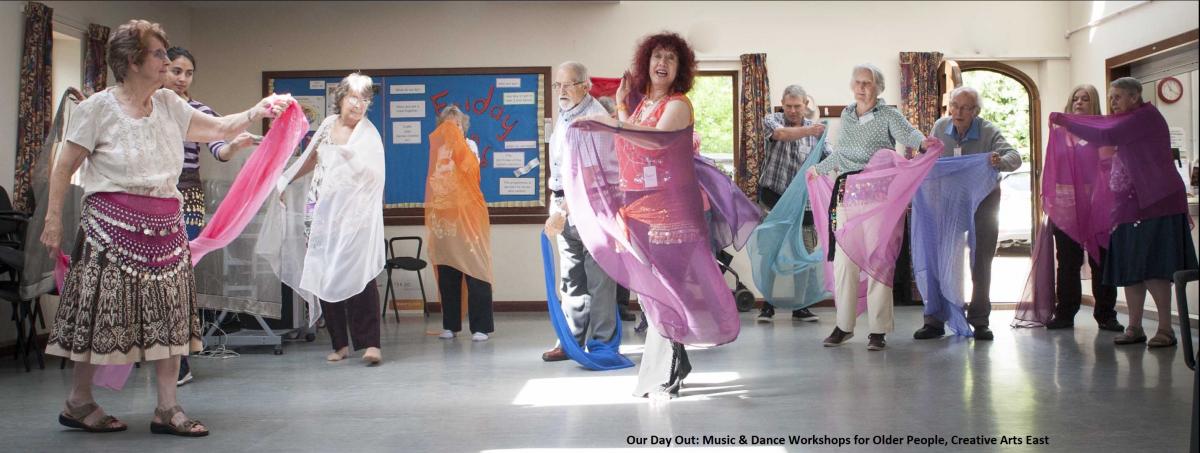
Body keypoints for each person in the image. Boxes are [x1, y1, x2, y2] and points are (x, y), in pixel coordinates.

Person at [42, 19, 291, 436]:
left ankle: (168, 407)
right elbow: (64, 166)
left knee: (171, 316)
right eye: (159, 54)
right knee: (99, 315)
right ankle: (79, 402)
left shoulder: (170, 106)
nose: (167, 61)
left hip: (166, 226)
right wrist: (52, 219)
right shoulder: (97, 109)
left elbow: (216, 128)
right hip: (108, 228)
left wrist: (256, 111)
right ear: (132, 61)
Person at [580, 32, 703, 397]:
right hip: (639, 210)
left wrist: (614, 118)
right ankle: (672, 365)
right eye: (657, 57)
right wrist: (618, 112)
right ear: (646, 63)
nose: (662, 64)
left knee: (667, 292)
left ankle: (667, 372)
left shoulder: (677, 104)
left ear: (679, 68)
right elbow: (627, 146)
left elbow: (654, 142)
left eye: (670, 59)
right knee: (651, 297)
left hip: (671, 211)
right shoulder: (640, 106)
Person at [1053, 77, 1198, 347]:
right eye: (1111, 97)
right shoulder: (1127, 119)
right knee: (1132, 268)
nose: (1113, 102)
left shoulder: (1144, 117)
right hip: (1130, 205)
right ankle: (1135, 327)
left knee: (1155, 268)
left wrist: (1067, 120)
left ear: (1134, 97)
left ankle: (1165, 329)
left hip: (1156, 203)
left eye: (1117, 97)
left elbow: (1105, 135)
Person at [811, 63, 927, 351]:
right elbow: (841, 154)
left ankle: (878, 330)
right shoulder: (847, 116)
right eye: (858, 82)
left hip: (877, 198)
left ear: (879, 88)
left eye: (868, 83)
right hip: (846, 196)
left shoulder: (889, 115)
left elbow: (912, 136)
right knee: (844, 263)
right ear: (852, 86)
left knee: (878, 260)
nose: (862, 87)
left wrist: (928, 145)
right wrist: (818, 168)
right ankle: (844, 326)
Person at [162, 46, 258, 386]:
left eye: (188, 73)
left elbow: (220, 148)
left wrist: (236, 145)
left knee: (178, 280)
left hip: (185, 200)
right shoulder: (147, 109)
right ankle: (154, 354)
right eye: (176, 71)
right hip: (149, 200)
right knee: (149, 282)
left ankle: (181, 361)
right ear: (161, 70)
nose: (182, 78)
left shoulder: (198, 111)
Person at [276, 72, 386, 365]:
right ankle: (340, 344)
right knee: (325, 275)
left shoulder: (368, 133)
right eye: (353, 97)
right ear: (340, 98)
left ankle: (370, 343)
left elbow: (376, 176)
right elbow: (310, 158)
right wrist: (285, 180)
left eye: (364, 99)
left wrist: (355, 163)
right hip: (321, 214)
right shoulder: (326, 125)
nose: (358, 104)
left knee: (362, 278)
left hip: (354, 218)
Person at [912, 86, 1021, 342]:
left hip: (983, 205)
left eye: (965, 108)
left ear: (976, 111)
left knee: (981, 263)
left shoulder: (988, 131)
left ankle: (980, 321)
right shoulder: (940, 127)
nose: (958, 112)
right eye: (955, 106)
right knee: (942, 261)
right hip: (947, 206)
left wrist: (998, 161)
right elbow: (926, 156)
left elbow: (1014, 157)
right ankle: (935, 320)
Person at [542, 62, 621, 362]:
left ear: (585, 86)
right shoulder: (565, 116)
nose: (561, 91)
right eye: (557, 85)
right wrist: (557, 206)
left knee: (599, 280)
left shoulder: (593, 119)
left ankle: (602, 345)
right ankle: (571, 341)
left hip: (591, 208)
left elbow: (590, 178)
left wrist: (562, 210)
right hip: (563, 206)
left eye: (568, 84)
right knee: (571, 279)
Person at [1044, 84, 1123, 332]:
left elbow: (1110, 167)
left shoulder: (1103, 133)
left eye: (1085, 99)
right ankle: (1065, 313)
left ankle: (1106, 314)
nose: (1079, 102)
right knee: (1067, 262)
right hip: (1067, 207)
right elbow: (1052, 169)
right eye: (1075, 98)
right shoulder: (1058, 134)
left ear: (1094, 103)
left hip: (1098, 205)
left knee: (1103, 261)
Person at [755, 84, 828, 322]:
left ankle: (801, 307)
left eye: (798, 106)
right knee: (771, 251)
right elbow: (781, 135)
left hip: (805, 202)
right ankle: (767, 305)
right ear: (782, 104)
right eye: (789, 106)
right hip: (773, 197)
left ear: (806, 104)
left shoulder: (817, 132)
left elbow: (830, 156)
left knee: (804, 251)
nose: (793, 111)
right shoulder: (772, 120)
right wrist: (811, 131)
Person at [427, 105, 495, 342]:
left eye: (455, 124)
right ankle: (450, 324)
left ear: (462, 126)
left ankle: (481, 327)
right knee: (447, 270)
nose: (451, 129)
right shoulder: (437, 150)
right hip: (445, 219)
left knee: (475, 270)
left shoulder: (469, 146)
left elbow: (469, 172)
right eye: (446, 125)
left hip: (468, 219)